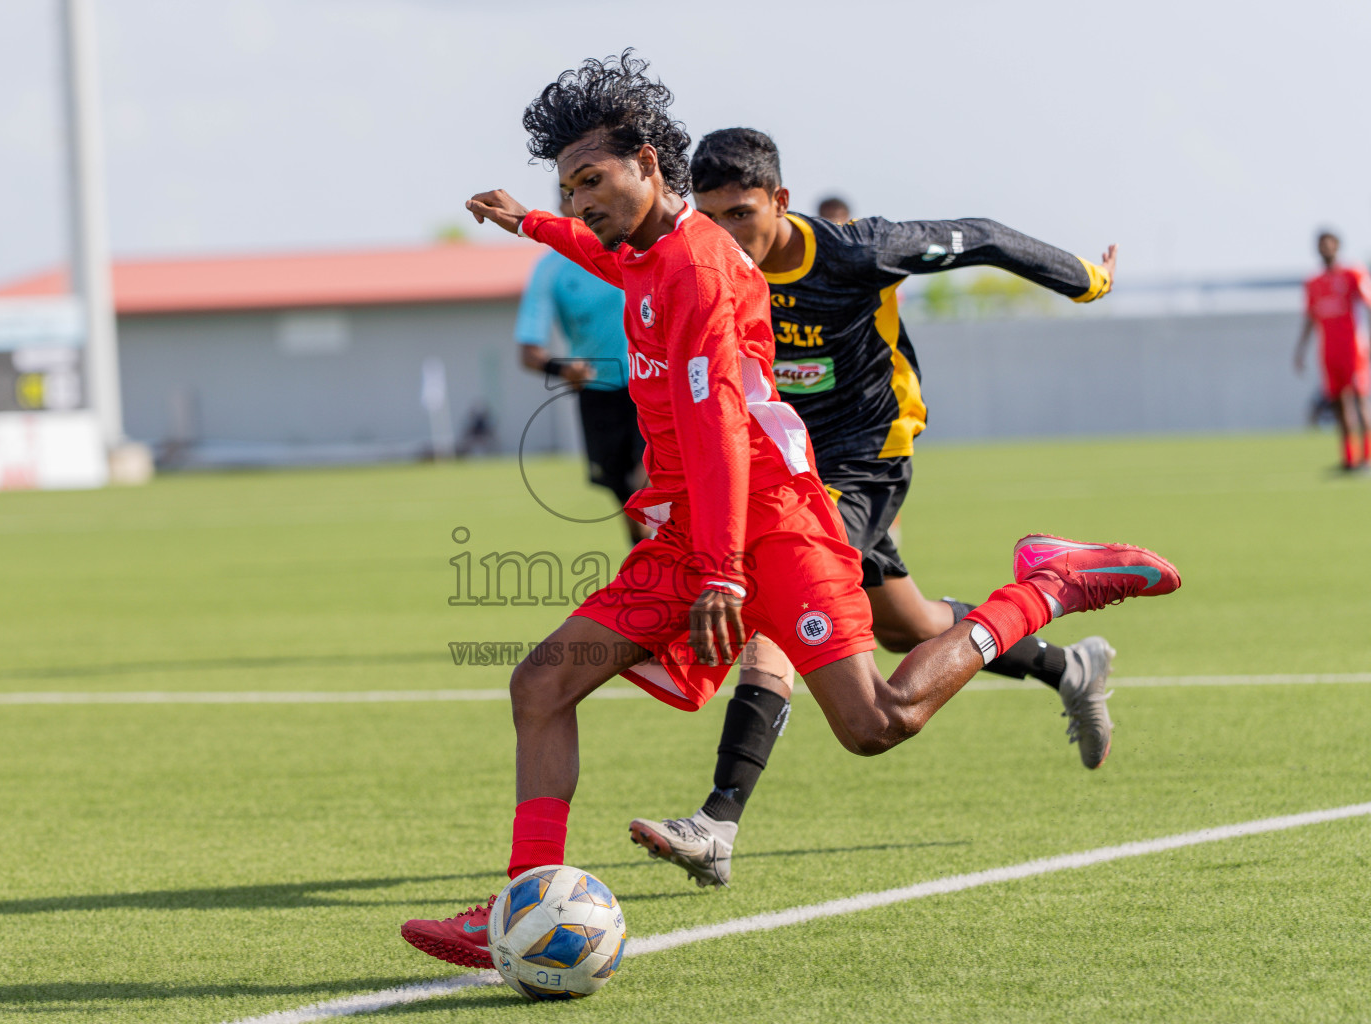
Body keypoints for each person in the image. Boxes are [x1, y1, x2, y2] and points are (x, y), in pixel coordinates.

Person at [400, 52, 1180, 972]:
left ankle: (1050, 586)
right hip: (691, 529)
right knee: (540, 686)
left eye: (593, 181)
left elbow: (722, 427)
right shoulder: (645, 250)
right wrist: (525, 221)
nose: (581, 204)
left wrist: (727, 569)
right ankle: (521, 906)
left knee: (875, 724)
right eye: (568, 187)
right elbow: (601, 253)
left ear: (650, 166)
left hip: (770, 520)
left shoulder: (696, 270)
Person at [628, 127, 1123, 888]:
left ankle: (718, 821)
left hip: (864, 461)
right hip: (786, 472)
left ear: (782, 202)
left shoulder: (861, 253)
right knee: (911, 626)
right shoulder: (707, 263)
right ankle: (1069, 667)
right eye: (713, 215)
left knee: (777, 619)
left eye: (744, 214)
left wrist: (1088, 279)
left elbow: (984, 237)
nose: (729, 234)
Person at [515, 191, 649, 543]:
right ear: (560, 208)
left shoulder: (638, 249)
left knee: (646, 476)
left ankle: (671, 555)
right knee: (621, 489)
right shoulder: (550, 270)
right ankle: (645, 559)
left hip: (650, 386)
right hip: (598, 393)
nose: (583, 205)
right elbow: (529, 351)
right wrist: (564, 370)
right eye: (570, 196)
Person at [1294, 230, 1371, 470]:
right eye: (1321, 245)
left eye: (1329, 245)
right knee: (1338, 405)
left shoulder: (1352, 274)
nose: (1325, 249)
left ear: (1337, 247)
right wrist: (1300, 350)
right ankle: (1349, 459)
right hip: (1329, 351)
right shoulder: (1313, 283)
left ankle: (1367, 458)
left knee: (1360, 402)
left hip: (1353, 349)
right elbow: (1310, 317)